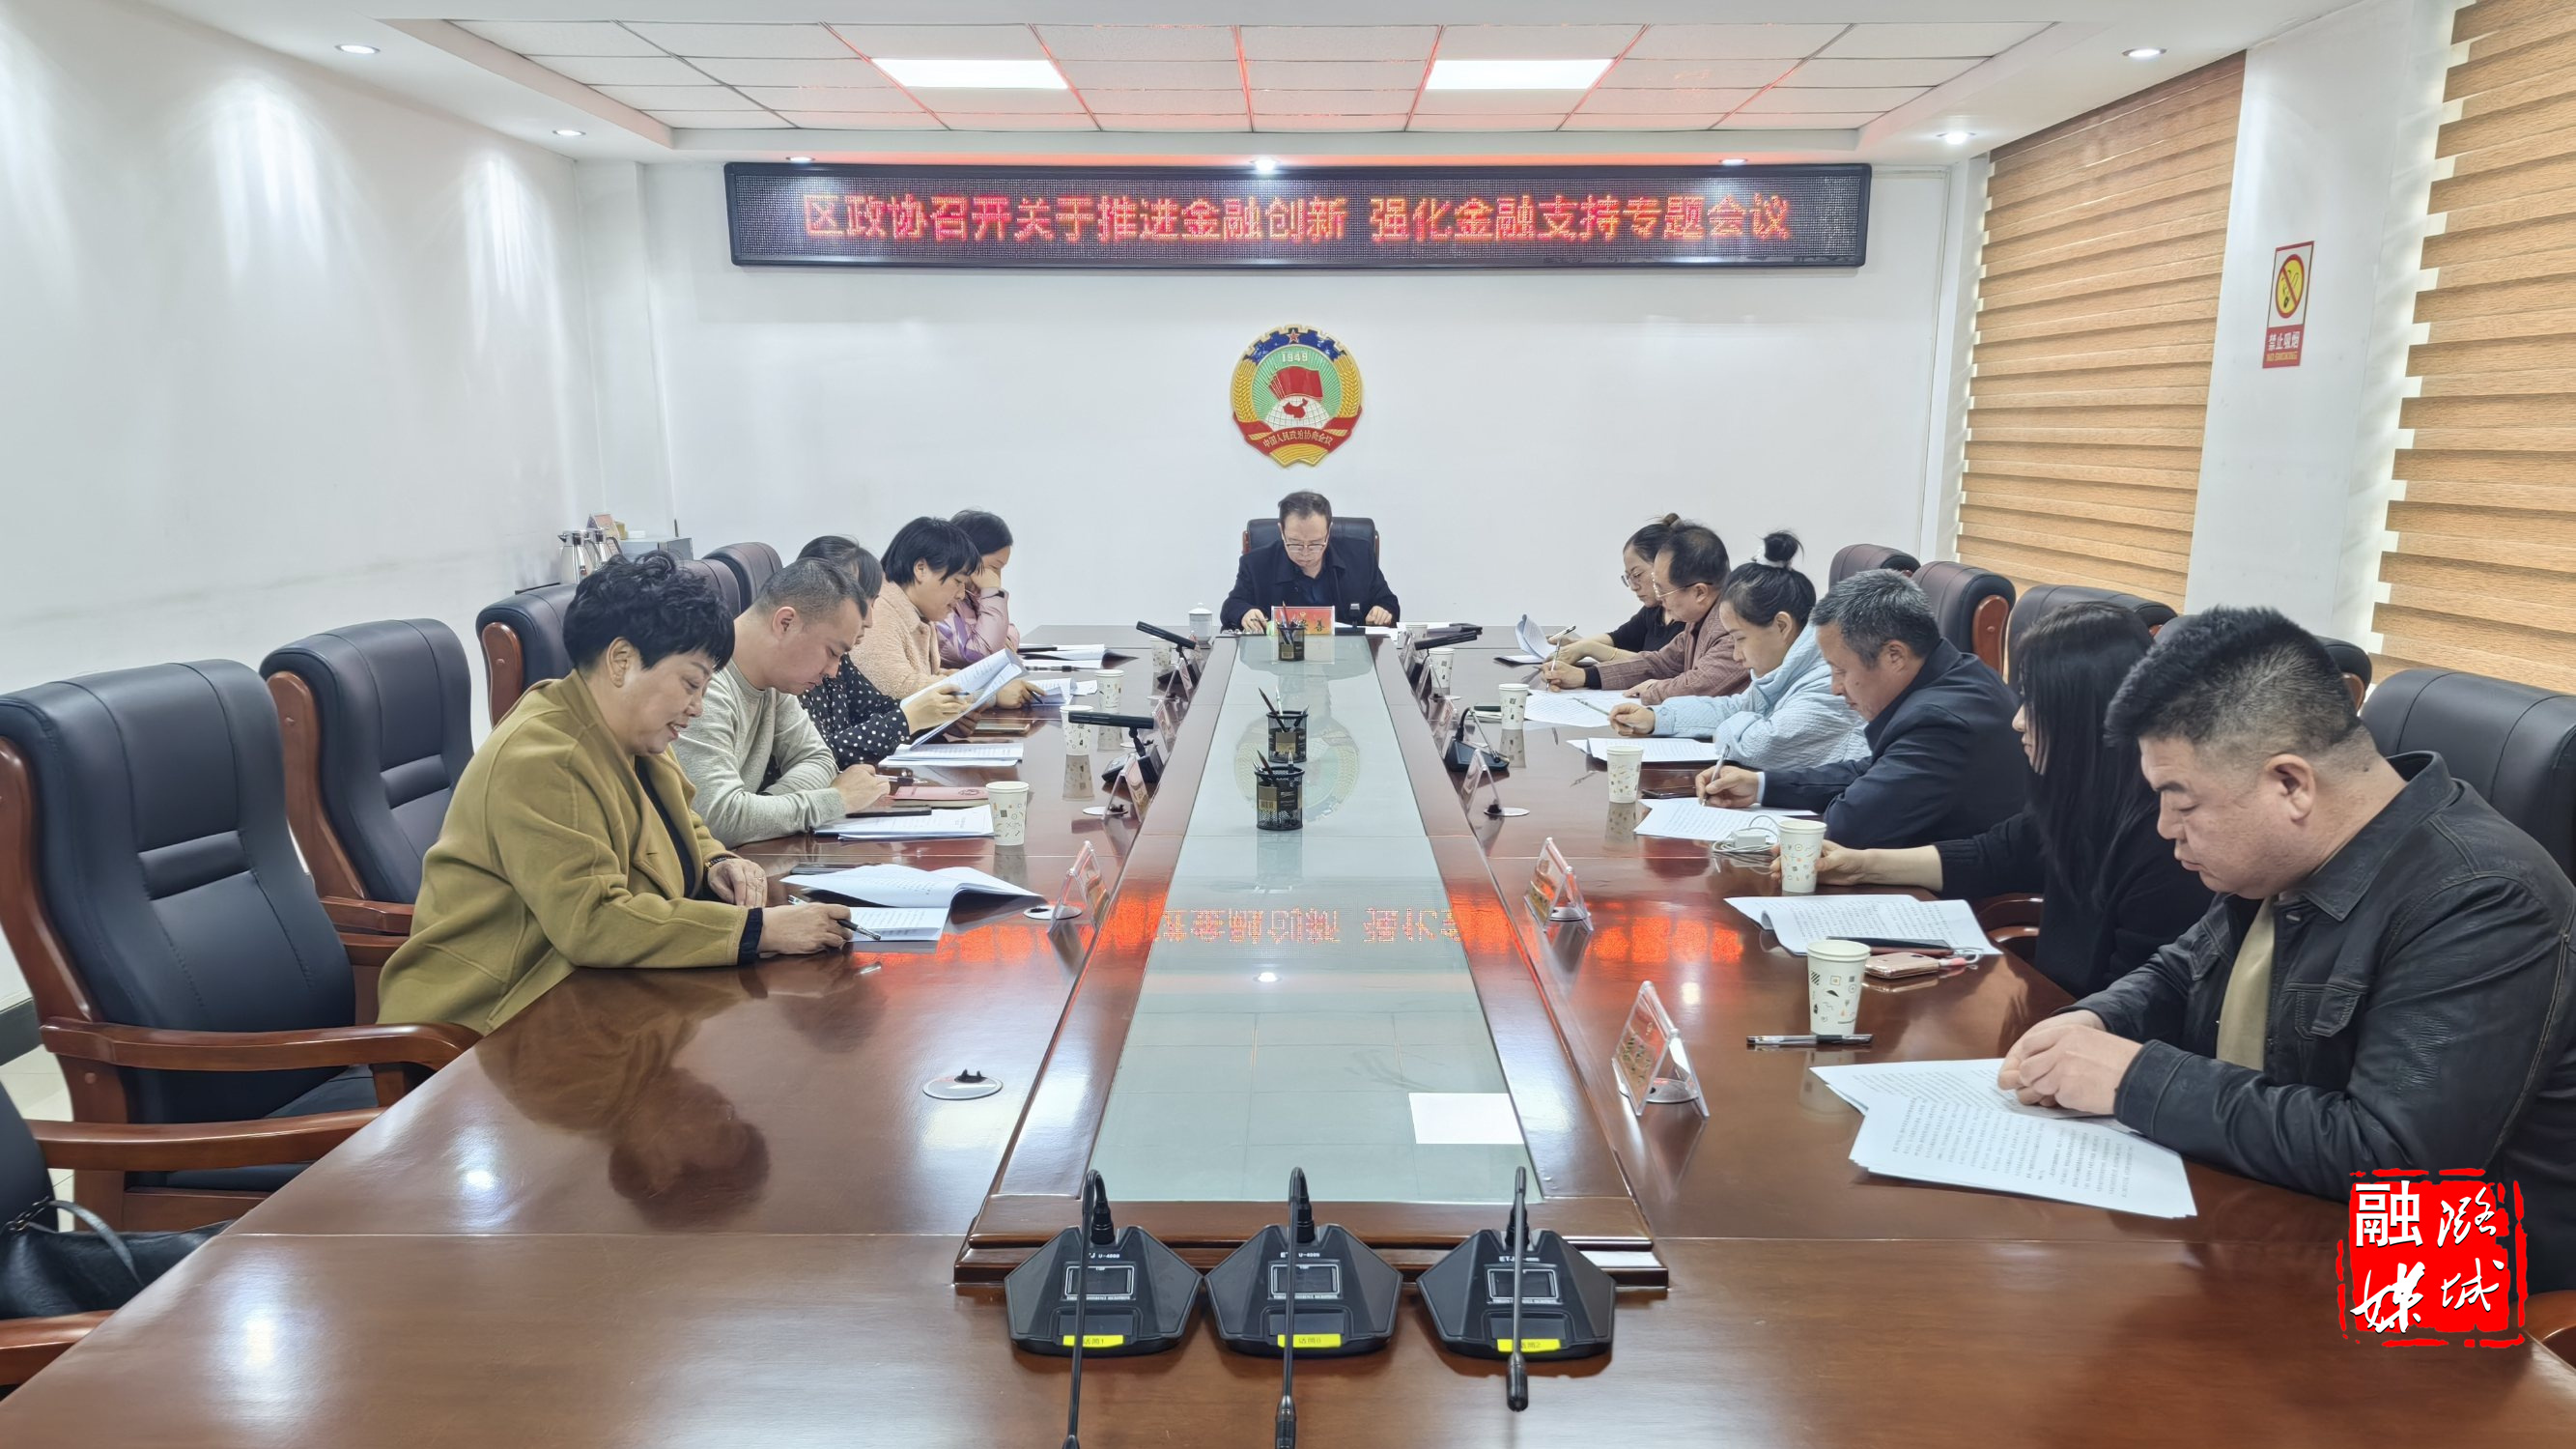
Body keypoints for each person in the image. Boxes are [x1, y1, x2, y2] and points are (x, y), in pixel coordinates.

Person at [1997, 608, 2576, 1291]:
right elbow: (2183, 970)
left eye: (2182, 803)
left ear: (2290, 784)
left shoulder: (2484, 898)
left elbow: (2396, 1164)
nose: (2164, 828)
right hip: (2279, 1217)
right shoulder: (2293, 855)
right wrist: (2094, 1020)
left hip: (2441, 1281)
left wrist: (2133, 1079)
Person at [376, 554, 853, 1035]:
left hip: (582, 996)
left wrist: (716, 861)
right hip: (487, 1026)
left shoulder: (631, 731)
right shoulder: (545, 758)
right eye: (691, 682)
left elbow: (686, 820)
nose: (697, 706)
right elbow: (593, 921)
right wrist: (759, 931)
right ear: (622, 661)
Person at [1793, 602, 2211, 996]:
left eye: (2036, 703)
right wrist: (1860, 865)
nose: (2018, 721)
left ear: (2084, 713)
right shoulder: (2076, 796)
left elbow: (2137, 999)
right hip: (2049, 1014)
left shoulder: (2165, 840)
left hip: (2086, 1032)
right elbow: (1991, 856)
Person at [1697, 568, 2024, 848]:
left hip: (1962, 895)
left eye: (1840, 670)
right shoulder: (1955, 672)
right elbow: (1870, 771)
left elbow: (1848, 825)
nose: (1835, 688)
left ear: (1894, 656)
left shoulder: (1939, 721)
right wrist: (1762, 786)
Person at [671, 556, 891, 847]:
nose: (834, 671)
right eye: (832, 652)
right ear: (786, 623)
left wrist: (759, 811)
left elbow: (819, 759)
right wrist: (835, 800)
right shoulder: (703, 685)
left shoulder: (775, 681)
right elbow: (719, 820)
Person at [1608, 531, 1865, 770]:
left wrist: (1730, 728)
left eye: (1740, 639)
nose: (1736, 654)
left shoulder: (1831, 684)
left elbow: (1755, 746)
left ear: (1782, 626)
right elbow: (1737, 707)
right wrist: (1657, 719)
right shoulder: (1787, 668)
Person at [794, 536, 970, 768]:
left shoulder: (839, 659)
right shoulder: (790, 672)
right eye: (863, 604)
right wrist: (909, 719)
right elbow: (820, 755)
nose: (870, 619)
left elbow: (874, 706)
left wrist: (933, 715)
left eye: (873, 602)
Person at [1541, 522, 1746, 705]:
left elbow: (1696, 686)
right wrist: (1584, 676)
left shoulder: (1733, 628)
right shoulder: (1698, 619)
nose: (1660, 599)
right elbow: (1659, 663)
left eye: (1663, 590)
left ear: (1699, 592)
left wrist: (1653, 689)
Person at [854, 515, 1040, 708]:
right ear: (921, 569)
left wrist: (965, 682)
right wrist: (989, 694)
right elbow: (900, 688)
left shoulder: (918, 611)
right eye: (958, 581)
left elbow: (928, 675)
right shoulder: (880, 611)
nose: (961, 594)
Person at [1224, 490, 1400, 631]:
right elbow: (1232, 605)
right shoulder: (1256, 563)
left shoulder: (1359, 555)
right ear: (1281, 530)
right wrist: (1245, 613)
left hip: (1346, 658)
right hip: (1282, 656)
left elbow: (1388, 602)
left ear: (1328, 531)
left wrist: (1382, 611)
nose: (1305, 552)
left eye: (1316, 543)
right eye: (1295, 543)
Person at [1550, 515, 1684, 668]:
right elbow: (1619, 638)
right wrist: (1575, 644)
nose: (1633, 587)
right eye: (1629, 578)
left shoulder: (1689, 615)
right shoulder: (1654, 610)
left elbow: (1661, 665)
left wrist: (1588, 648)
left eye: (1637, 575)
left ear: (1664, 566)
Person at [935, 508, 1022, 667]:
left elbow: (1009, 631)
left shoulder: (971, 597)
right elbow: (978, 656)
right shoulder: (940, 601)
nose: (997, 578)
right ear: (967, 556)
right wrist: (993, 594)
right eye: (994, 567)